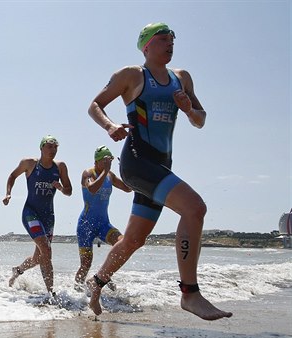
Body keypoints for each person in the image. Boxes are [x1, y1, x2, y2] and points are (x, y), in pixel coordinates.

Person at [86, 23, 232, 320]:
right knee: (194, 208)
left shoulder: (182, 78)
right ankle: (190, 293)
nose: (170, 43)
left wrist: (188, 108)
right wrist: (110, 125)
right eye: (163, 39)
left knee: (134, 240)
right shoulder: (132, 75)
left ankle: (96, 284)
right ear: (146, 46)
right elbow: (95, 105)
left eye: (172, 39)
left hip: (161, 166)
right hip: (137, 163)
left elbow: (200, 120)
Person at [4, 135, 72, 296]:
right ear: (41, 148)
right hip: (30, 213)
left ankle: (18, 270)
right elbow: (13, 176)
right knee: (46, 251)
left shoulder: (60, 167)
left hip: (48, 217)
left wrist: (61, 188)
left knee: (39, 258)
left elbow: (69, 191)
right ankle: (51, 294)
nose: (53, 150)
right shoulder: (29, 164)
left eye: (55, 147)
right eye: (49, 146)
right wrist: (8, 194)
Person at [74, 145, 132, 291]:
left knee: (123, 244)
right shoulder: (88, 173)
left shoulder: (110, 175)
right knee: (86, 264)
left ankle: (101, 276)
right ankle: (77, 292)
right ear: (97, 161)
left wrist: (126, 168)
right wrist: (105, 171)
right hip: (85, 226)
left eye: (110, 160)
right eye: (105, 160)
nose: (108, 163)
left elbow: (128, 188)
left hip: (103, 224)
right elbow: (92, 189)